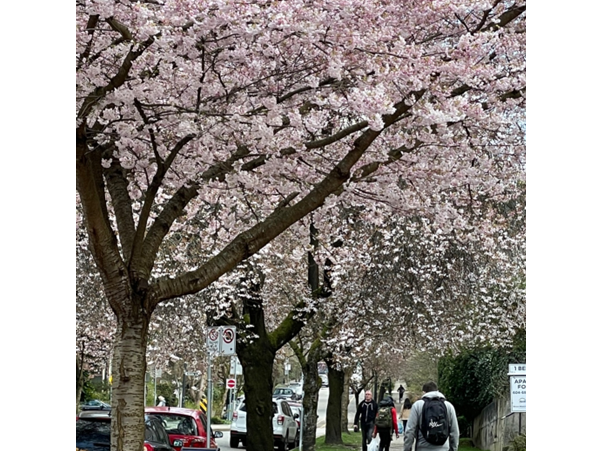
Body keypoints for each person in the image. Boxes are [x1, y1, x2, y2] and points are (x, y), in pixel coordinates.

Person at [403, 382, 460, 451]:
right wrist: (454, 448)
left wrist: (407, 448)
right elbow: (455, 432)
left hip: (422, 448)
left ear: (424, 392)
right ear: (437, 391)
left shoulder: (417, 405)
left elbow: (410, 431)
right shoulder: (448, 406)